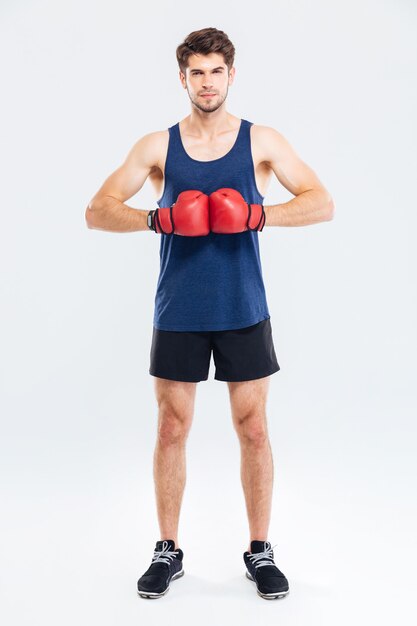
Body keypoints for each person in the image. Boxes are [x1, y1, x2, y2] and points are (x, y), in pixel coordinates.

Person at [85, 27, 334, 601]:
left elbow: (322, 202)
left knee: (253, 428)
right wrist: (158, 219)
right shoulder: (157, 147)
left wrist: (258, 214)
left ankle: (260, 550)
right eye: (196, 72)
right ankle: (168, 550)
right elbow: (98, 211)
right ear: (182, 78)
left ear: (231, 75)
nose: (206, 81)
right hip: (178, 308)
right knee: (172, 428)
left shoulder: (261, 140)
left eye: (215, 71)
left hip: (243, 305)